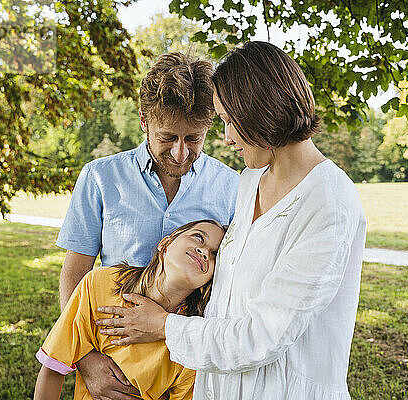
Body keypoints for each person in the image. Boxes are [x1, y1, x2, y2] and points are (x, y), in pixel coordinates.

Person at [96, 41, 367, 400]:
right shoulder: (250, 181)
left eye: (228, 121)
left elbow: (263, 336)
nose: (226, 138)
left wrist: (164, 326)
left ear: (259, 113)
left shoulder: (329, 202)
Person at [55, 52, 240, 399]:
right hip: (113, 361)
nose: (181, 153)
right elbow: (75, 273)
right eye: (168, 137)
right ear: (143, 120)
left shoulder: (232, 187)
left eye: (194, 139)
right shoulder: (99, 177)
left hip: (190, 369)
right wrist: (84, 358)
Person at [35, 220, 226, 400]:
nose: (204, 251)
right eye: (198, 237)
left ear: (208, 281)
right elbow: (53, 367)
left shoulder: (190, 337)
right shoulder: (99, 284)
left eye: (215, 254)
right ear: (165, 244)